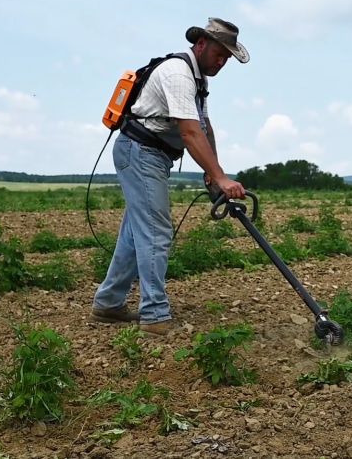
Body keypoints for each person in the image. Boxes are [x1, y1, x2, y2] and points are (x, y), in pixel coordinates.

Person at [91, 18, 248, 336]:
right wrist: (219, 178)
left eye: (227, 59)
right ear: (201, 44)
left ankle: (108, 303)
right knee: (155, 233)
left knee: (136, 235)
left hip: (153, 155)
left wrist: (212, 171)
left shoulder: (198, 79)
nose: (221, 62)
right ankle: (154, 316)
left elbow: (204, 127)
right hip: (140, 152)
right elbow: (189, 132)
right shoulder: (178, 74)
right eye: (219, 54)